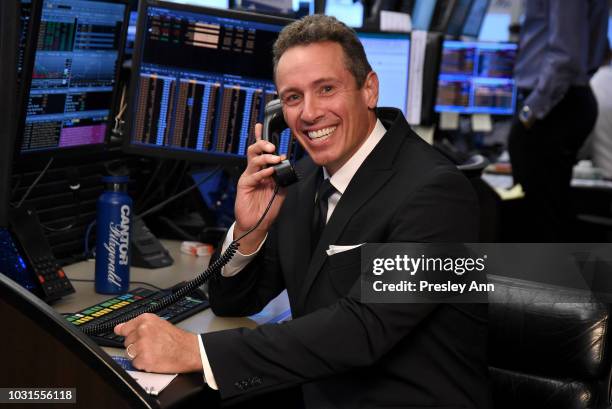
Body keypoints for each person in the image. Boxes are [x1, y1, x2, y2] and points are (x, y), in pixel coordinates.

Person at [115, 15, 489, 408]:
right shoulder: (304, 177)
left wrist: (198, 351)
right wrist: (250, 231)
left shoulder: (435, 191)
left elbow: (363, 329)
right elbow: (234, 303)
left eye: (326, 89)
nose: (308, 114)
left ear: (369, 89)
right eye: (293, 97)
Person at [507, 0, 609, 241]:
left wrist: (529, 113)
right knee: (548, 216)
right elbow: (592, 50)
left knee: (535, 222)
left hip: (552, 105)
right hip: (564, 100)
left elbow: (565, 57)